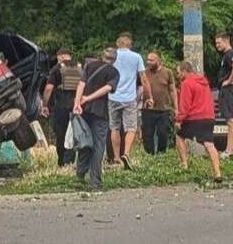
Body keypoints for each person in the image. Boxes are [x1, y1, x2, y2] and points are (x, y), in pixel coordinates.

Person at [73, 48, 119, 191]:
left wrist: (77, 102)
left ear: (102, 56)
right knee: (98, 146)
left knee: (84, 142)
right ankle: (95, 182)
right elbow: (107, 89)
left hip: (84, 110)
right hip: (100, 112)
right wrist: (89, 98)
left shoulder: (89, 66)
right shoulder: (114, 72)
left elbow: (81, 84)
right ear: (114, 60)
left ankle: (80, 177)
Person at [174, 61, 222, 183]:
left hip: (194, 117)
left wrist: (179, 120)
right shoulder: (204, 82)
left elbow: (185, 104)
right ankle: (217, 173)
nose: (178, 76)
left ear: (185, 71)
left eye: (179, 73)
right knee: (209, 144)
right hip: (208, 117)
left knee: (179, 135)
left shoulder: (187, 83)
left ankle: (184, 164)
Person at [108, 33, 151, 170]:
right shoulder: (136, 57)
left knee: (114, 127)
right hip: (129, 98)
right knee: (131, 128)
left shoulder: (111, 56)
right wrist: (148, 96)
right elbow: (143, 79)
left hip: (113, 96)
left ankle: (115, 158)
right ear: (130, 45)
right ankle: (126, 153)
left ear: (117, 44)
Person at [40, 48, 80, 167]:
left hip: (61, 106)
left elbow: (48, 88)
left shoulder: (57, 69)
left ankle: (62, 162)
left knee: (61, 134)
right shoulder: (80, 67)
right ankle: (70, 161)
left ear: (60, 56)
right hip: (76, 106)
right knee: (73, 134)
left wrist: (44, 105)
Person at [142, 52, 178, 154]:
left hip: (163, 109)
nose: (148, 62)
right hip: (148, 109)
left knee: (163, 133)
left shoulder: (167, 72)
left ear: (158, 61)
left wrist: (176, 107)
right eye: (147, 60)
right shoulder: (144, 72)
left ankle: (161, 154)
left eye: (151, 60)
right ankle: (149, 155)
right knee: (147, 134)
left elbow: (172, 90)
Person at [215, 32, 233, 159]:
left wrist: (229, 81)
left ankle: (229, 150)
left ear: (226, 41)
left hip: (229, 90)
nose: (217, 45)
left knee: (230, 121)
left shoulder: (229, 54)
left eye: (219, 43)